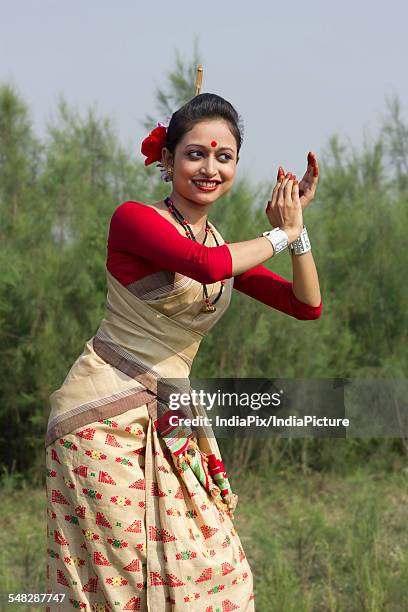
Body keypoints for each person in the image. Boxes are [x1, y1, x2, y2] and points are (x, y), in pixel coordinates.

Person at [44, 92, 322, 611]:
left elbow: (306, 305)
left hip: (170, 416)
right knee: (127, 587)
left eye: (224, 156)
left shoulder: (222, 245)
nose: (210, 168)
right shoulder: (133, 220)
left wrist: (297, 233)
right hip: (101, 418)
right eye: (195, 154)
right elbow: (205, 266)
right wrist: (277, 234)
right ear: (167, 161)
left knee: (218, 575)